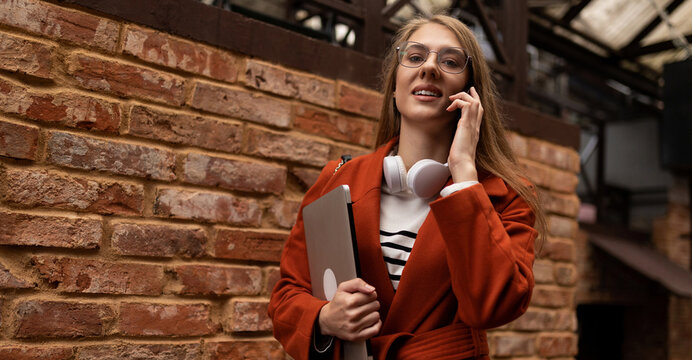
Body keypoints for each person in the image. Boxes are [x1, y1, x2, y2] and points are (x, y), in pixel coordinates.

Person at [269, 13, 546, 360]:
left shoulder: (509, 197)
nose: (429, 67)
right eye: (415, 57)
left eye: (450, 61)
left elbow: (491, 307)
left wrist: (463, 176)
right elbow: (287, 296)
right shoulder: (337, 180)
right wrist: (325, 317)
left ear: (471, 95)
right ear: (395, 87)